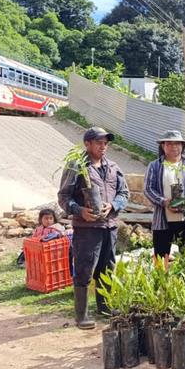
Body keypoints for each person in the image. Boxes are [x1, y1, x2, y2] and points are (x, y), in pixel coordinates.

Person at [58, 127, 129, 329]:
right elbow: (63, 197)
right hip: (87, 228)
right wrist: (80, 210)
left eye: (105, 143)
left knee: (107, 267)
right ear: (87, 144)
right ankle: (81, 315)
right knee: (84, 269)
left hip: (109, 226)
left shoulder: (113, 167)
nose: (103, 146)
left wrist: (114, 205)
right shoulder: (77, 166)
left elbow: (124, 193)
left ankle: (105, 307)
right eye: (99, 142)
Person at [143, 130, 185, 266]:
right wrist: (164, 201)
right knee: (160, 258)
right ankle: (161, 284)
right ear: (163, 146)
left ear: (182, 146)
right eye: (169, 144)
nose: (173, 147)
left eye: (177, 144)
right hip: (162, 220)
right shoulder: (155, 166)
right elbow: (148, 189)